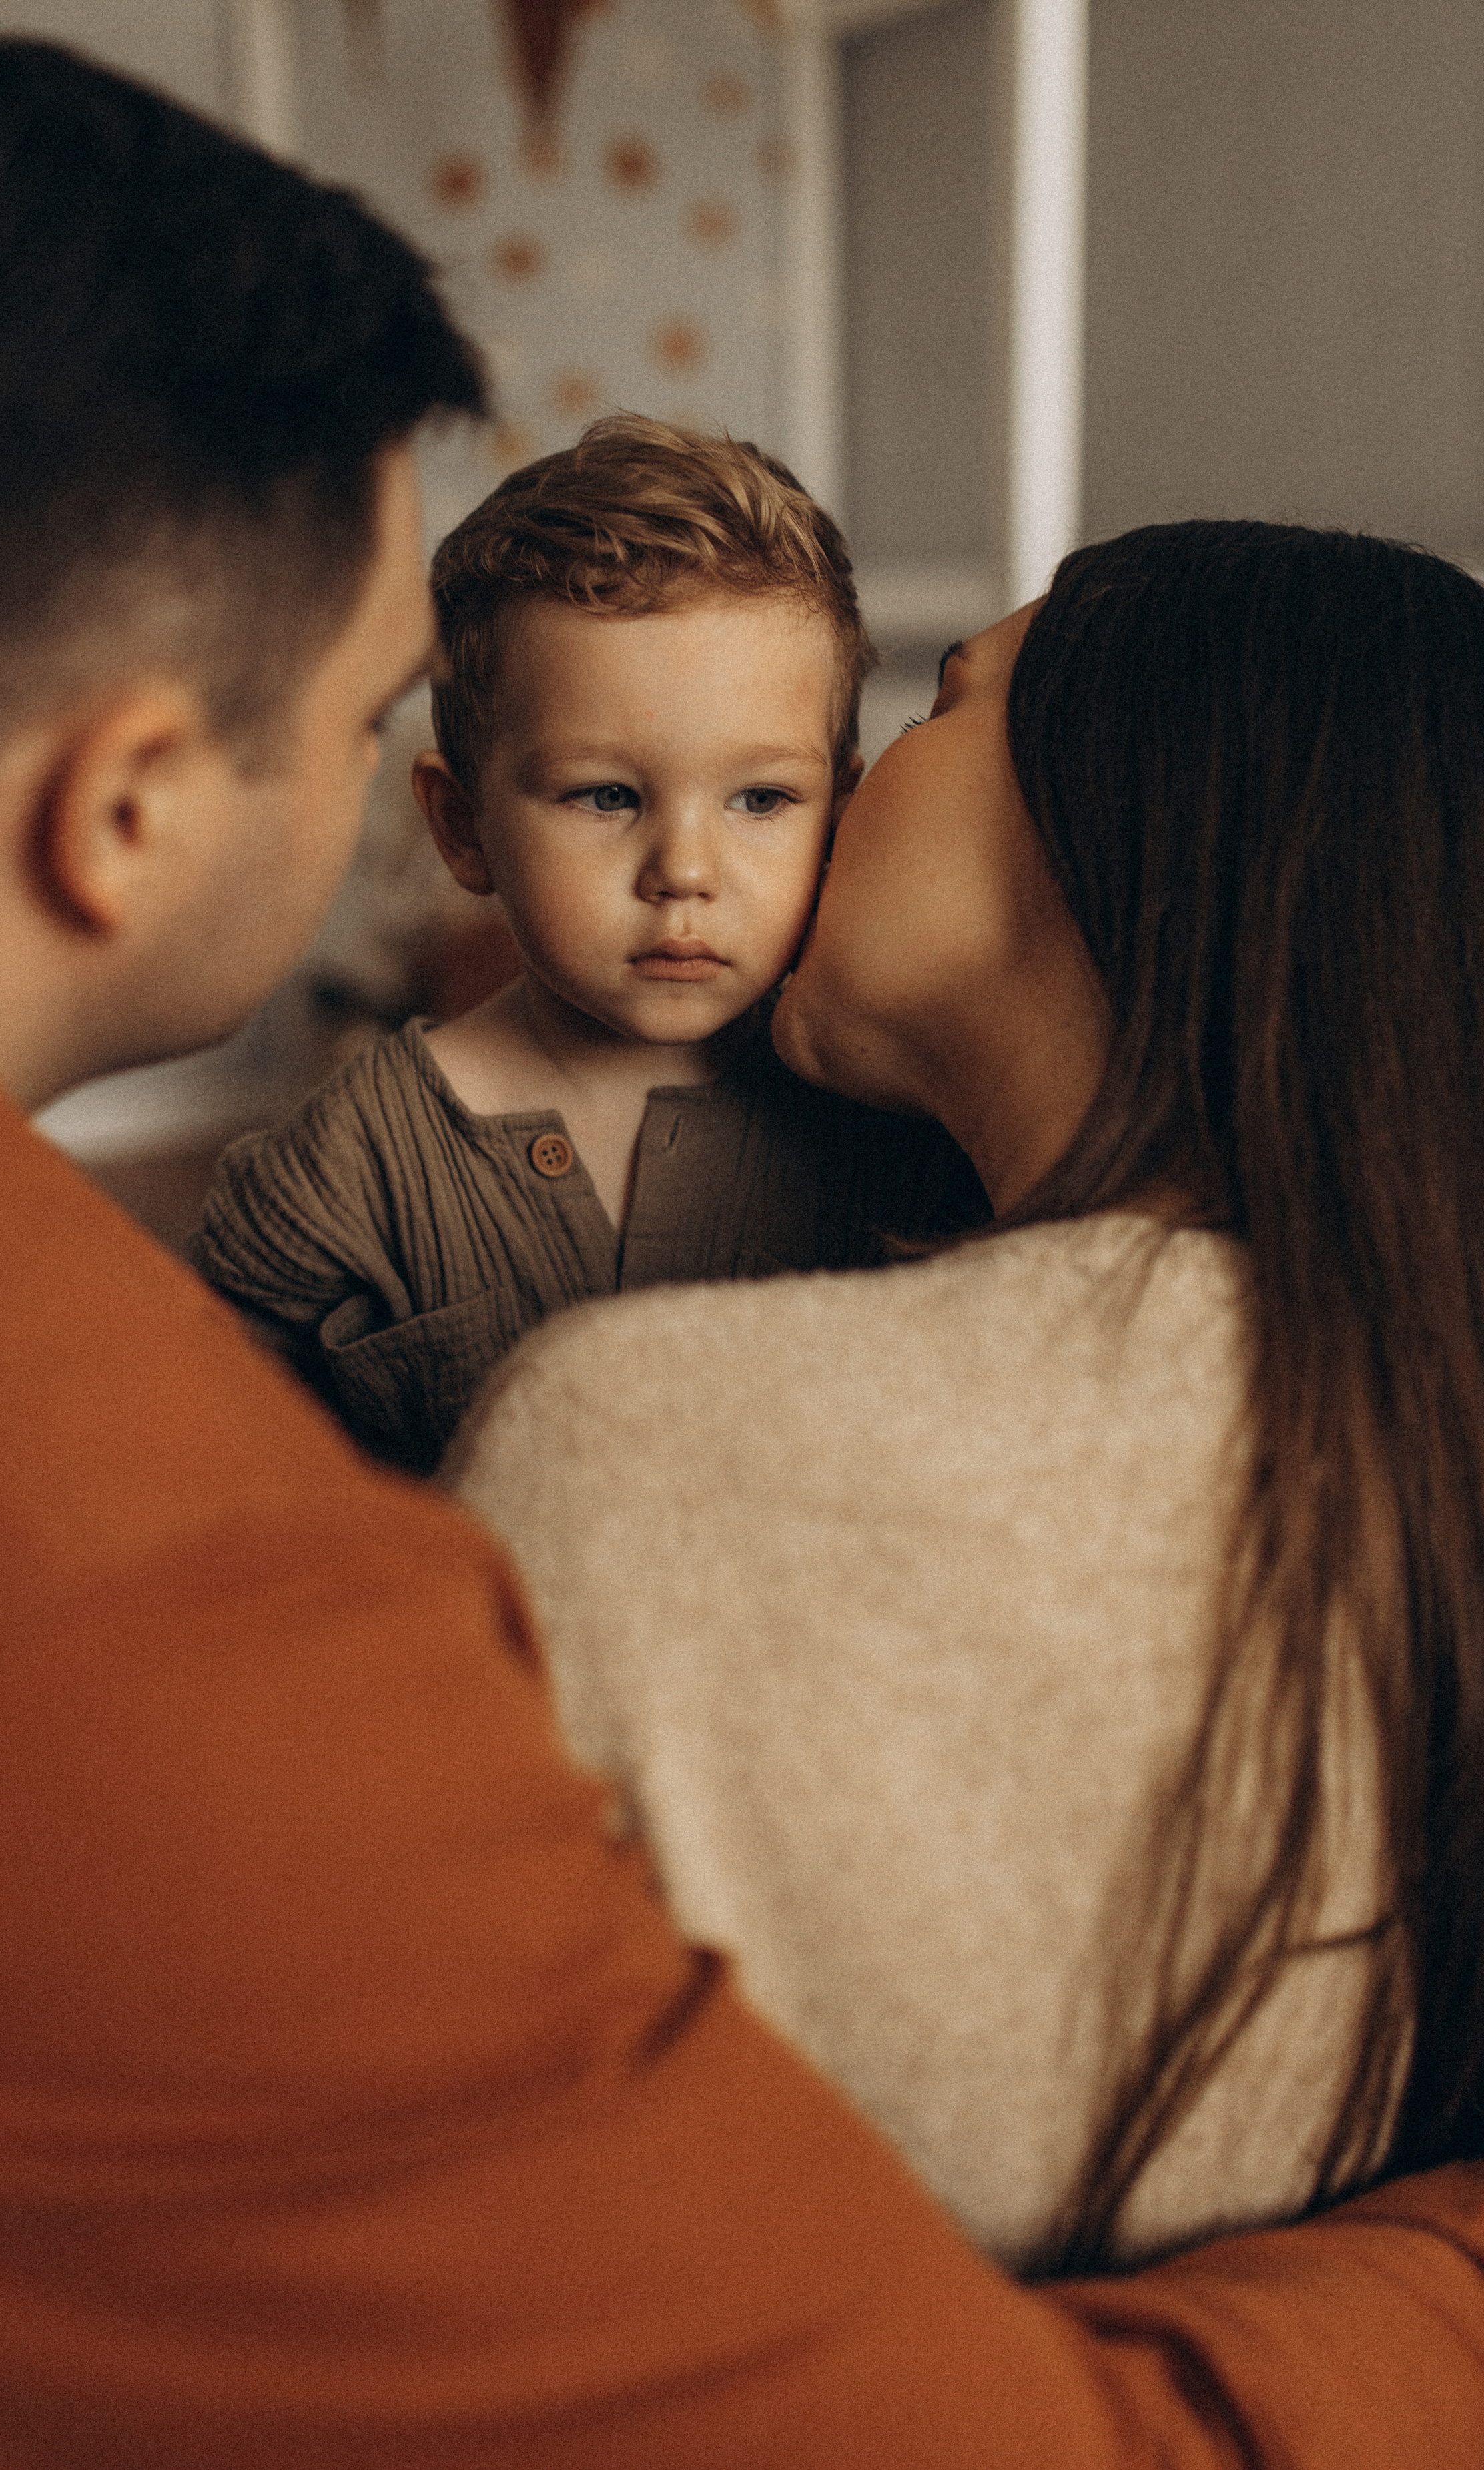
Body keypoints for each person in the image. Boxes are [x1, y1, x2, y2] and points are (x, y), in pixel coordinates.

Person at [0, 39, 1484, 2469]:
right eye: (391, 723)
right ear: (134, 805)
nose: (709, 858)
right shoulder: (131, 1526)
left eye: (879, 733)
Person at [447, 521, 1484, 2281]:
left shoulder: (649, 1447)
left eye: (941, 701)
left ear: (1125, 821)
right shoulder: (1414, 1443)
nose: (845, 786)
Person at [191, 416, 980, 1473]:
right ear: (465, 827)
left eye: (761, 797)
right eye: (606, 795)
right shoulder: (340, 1176)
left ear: (839, 809)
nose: (684, 869)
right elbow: (195, 1490)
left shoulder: (901, 1128)